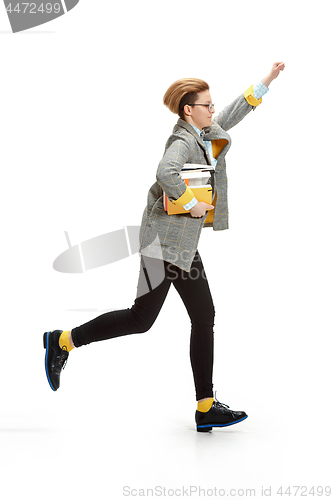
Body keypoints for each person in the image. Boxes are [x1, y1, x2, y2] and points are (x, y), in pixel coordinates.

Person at [44, 62, 285, 432]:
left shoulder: (203, 132)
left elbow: (231, 115)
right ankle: (62, 341)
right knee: (143, 319)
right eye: (206, 105)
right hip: (163, 246)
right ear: (189, 110)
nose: (212, 110)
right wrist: (192, 202)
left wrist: (265, 83)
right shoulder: (183, 140)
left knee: (201, 316)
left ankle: (205, 406)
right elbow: (165, 172)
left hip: (180, 245)